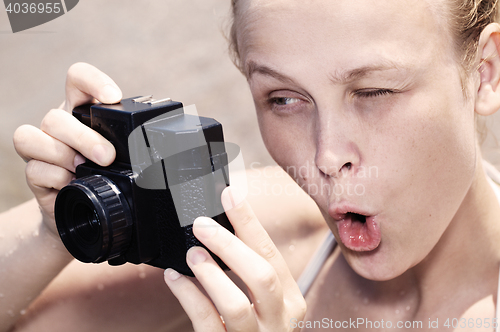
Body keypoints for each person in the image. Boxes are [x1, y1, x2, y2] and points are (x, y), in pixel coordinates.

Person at [3, 0, 500, 330]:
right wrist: (53, 237)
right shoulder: (253, 230)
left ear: (485, 73)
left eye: (374, 91)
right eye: (284, 99)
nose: (326, 155)